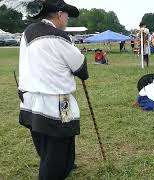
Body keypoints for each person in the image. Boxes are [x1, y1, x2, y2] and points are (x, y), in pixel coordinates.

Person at [18, 0, 89, 179]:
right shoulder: (59, 36)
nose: (67, 19)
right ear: (59, 14)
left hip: (30, 101)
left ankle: (65, 165)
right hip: (56, 103)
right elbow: (80, 67)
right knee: (55, 156)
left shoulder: (28, 32)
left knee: (46, 147)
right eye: (66, 15)